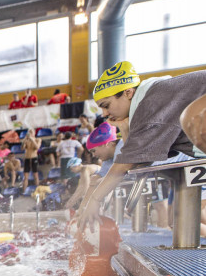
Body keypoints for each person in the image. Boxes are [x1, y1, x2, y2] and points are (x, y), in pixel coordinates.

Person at [77, 62, 206, 231]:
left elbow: (128, 163)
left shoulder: (152, 103)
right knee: (178, 221)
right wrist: (124, 127)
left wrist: (95, 200)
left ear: (128, 92)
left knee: (193, 120)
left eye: (106, 106)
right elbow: (141, 161)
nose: (104, 114)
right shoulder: (150, 99)